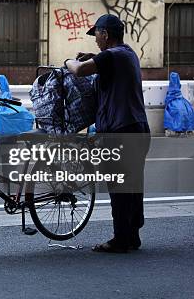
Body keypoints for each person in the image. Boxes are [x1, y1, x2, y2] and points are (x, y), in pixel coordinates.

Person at [64, 14, 150, 254]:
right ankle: (132, 235)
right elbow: (104, 63)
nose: (96, 41)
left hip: (121, 130)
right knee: (132, 186)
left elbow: (79, 70)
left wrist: (68, 61)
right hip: (136, 128)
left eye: (97, 36)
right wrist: (95, 59)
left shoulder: (113, 55)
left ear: (106, 34)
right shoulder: (127, 53)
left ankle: (121, 239)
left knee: (119, 186)